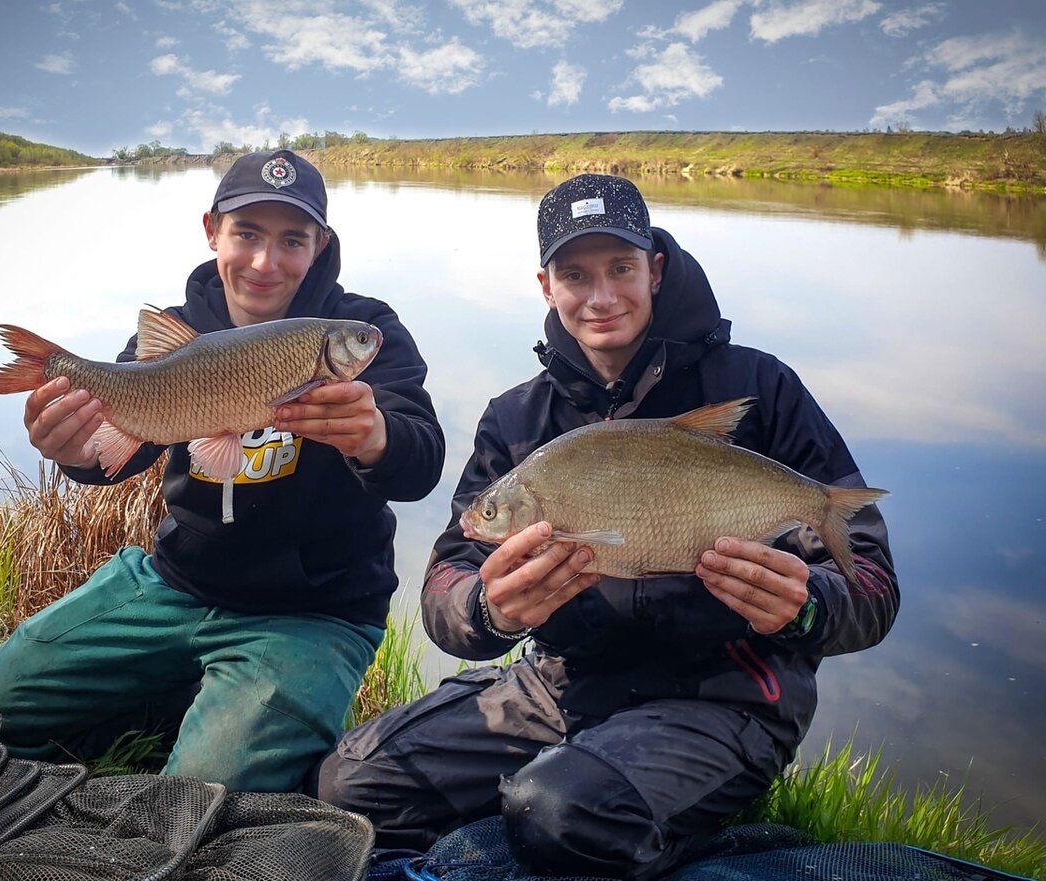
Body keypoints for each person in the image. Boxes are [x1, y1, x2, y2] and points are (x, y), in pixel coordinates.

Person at [314, 174, 898, 879]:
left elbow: (870, 583)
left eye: (620, 268)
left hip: (723, 695)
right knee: (350, 785)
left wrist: (808, 607)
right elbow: (446, 583)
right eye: (575, 273)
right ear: (545, 284)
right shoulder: (517, 421)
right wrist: (489, 609)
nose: (601, 296)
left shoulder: (761, 389)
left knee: (559, 813)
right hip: (562, 685)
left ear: (653, 267)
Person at [0, 150, 446, 793]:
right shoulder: (176, 331)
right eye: (246, 233)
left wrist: (377, 438)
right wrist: (78, 454)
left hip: (312, 609)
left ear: (321, 245)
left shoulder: (367, 327)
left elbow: (422, 464)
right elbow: (119, 454)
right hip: (176, 582)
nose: (265, 262)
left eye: (292, 240)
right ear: (211, 229)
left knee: (200, 796)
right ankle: (181, 696)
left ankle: (227, 714)